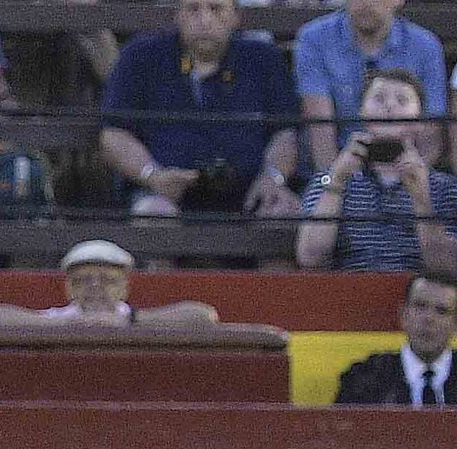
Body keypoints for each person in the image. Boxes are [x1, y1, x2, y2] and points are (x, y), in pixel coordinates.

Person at [99, 0, 296, 221]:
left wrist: (272, 178)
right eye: (193, 9)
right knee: (154, 215)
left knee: (281, 213)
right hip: (160, 190)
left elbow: (285, 133)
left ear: (235, 16)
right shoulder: (140, 56)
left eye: (216, 9)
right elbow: (114, 134)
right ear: (177, 15)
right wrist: (153, 176)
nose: (205, 20)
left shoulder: (264, 58)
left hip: (250, 190)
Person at [296, 69, 457, 274]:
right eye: (379, 99)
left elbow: (446, 268)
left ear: (419, 122)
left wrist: (422, 198)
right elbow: (311, 258)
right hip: (350, 294)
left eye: (402, 100)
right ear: (362, 113)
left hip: (417, 297)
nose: (389, 107)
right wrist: (336, 183)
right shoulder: (328, 178)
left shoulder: (446, 187)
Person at [293, 0, 446, 171]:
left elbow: (431, 134)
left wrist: (411, 181)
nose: (365, 3)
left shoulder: (426, 46)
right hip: (338, 169)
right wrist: (335, 184)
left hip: (407, 171)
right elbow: (320, 129)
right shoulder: (313, 39)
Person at [0, 239, 222, 325]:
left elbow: (204, 316)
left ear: (124, 288)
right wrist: (64, 325)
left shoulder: (134, 319)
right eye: (83, 281)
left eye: (106, 280)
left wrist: (130, 321)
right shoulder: (59, 319)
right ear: (68, 288)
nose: (95, 288)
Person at [333, 271, 456, 405]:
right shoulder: (364, 377)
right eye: (420, 307)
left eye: (441, 311)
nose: (429, 319)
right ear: (404, 316)